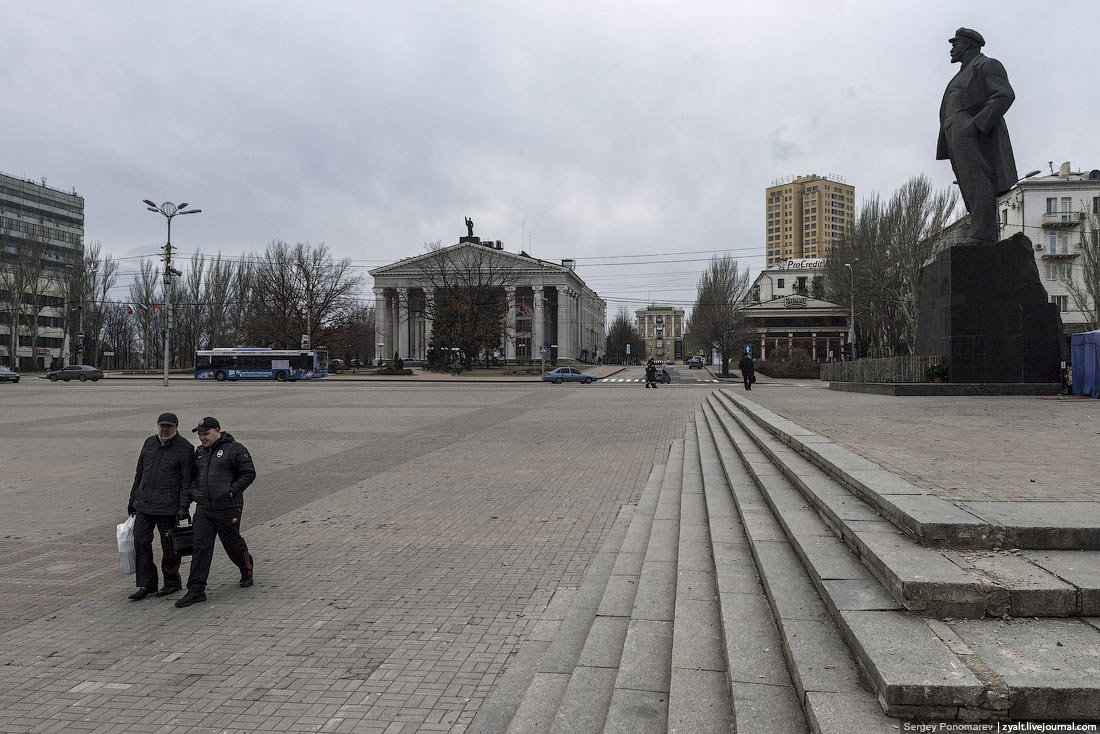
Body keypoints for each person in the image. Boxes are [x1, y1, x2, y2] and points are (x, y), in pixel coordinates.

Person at [936, 28, 1017, 245]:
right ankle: (980, 229)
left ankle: (983, 234)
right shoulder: (961, 73)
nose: (952, 49)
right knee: (967, 184)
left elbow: (1004, 95)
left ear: (969, 44)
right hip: (955, 134)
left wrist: (976, 125)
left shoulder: (987, 65)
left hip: (971, 132)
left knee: (978, 179)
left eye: (956, 44)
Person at [176, 417, 256, 608]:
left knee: (232, 543)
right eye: (200, 434)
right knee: (200, 547)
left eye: (206, 433)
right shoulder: (200, 452)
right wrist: (194, 494)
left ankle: (246, 569)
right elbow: (193, 477)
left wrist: (231, 491)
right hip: (204, 509)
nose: (203, 438)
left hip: (228, 507)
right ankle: (196, 590)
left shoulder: (234, 449)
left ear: (218, 430)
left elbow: (249, 473)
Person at [127, 412, 194, 600]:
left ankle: (172, 582)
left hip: (168, 507)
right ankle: (147, 584)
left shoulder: (185, 448)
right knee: (140, 542)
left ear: (176, 427)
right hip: (144, 504)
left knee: (170, 546)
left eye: (168, 426)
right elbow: (140, 473)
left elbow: (186, 482)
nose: (164, 429)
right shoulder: (149, 443)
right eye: (161, 425)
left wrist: (183, 508)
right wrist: (132, 499)